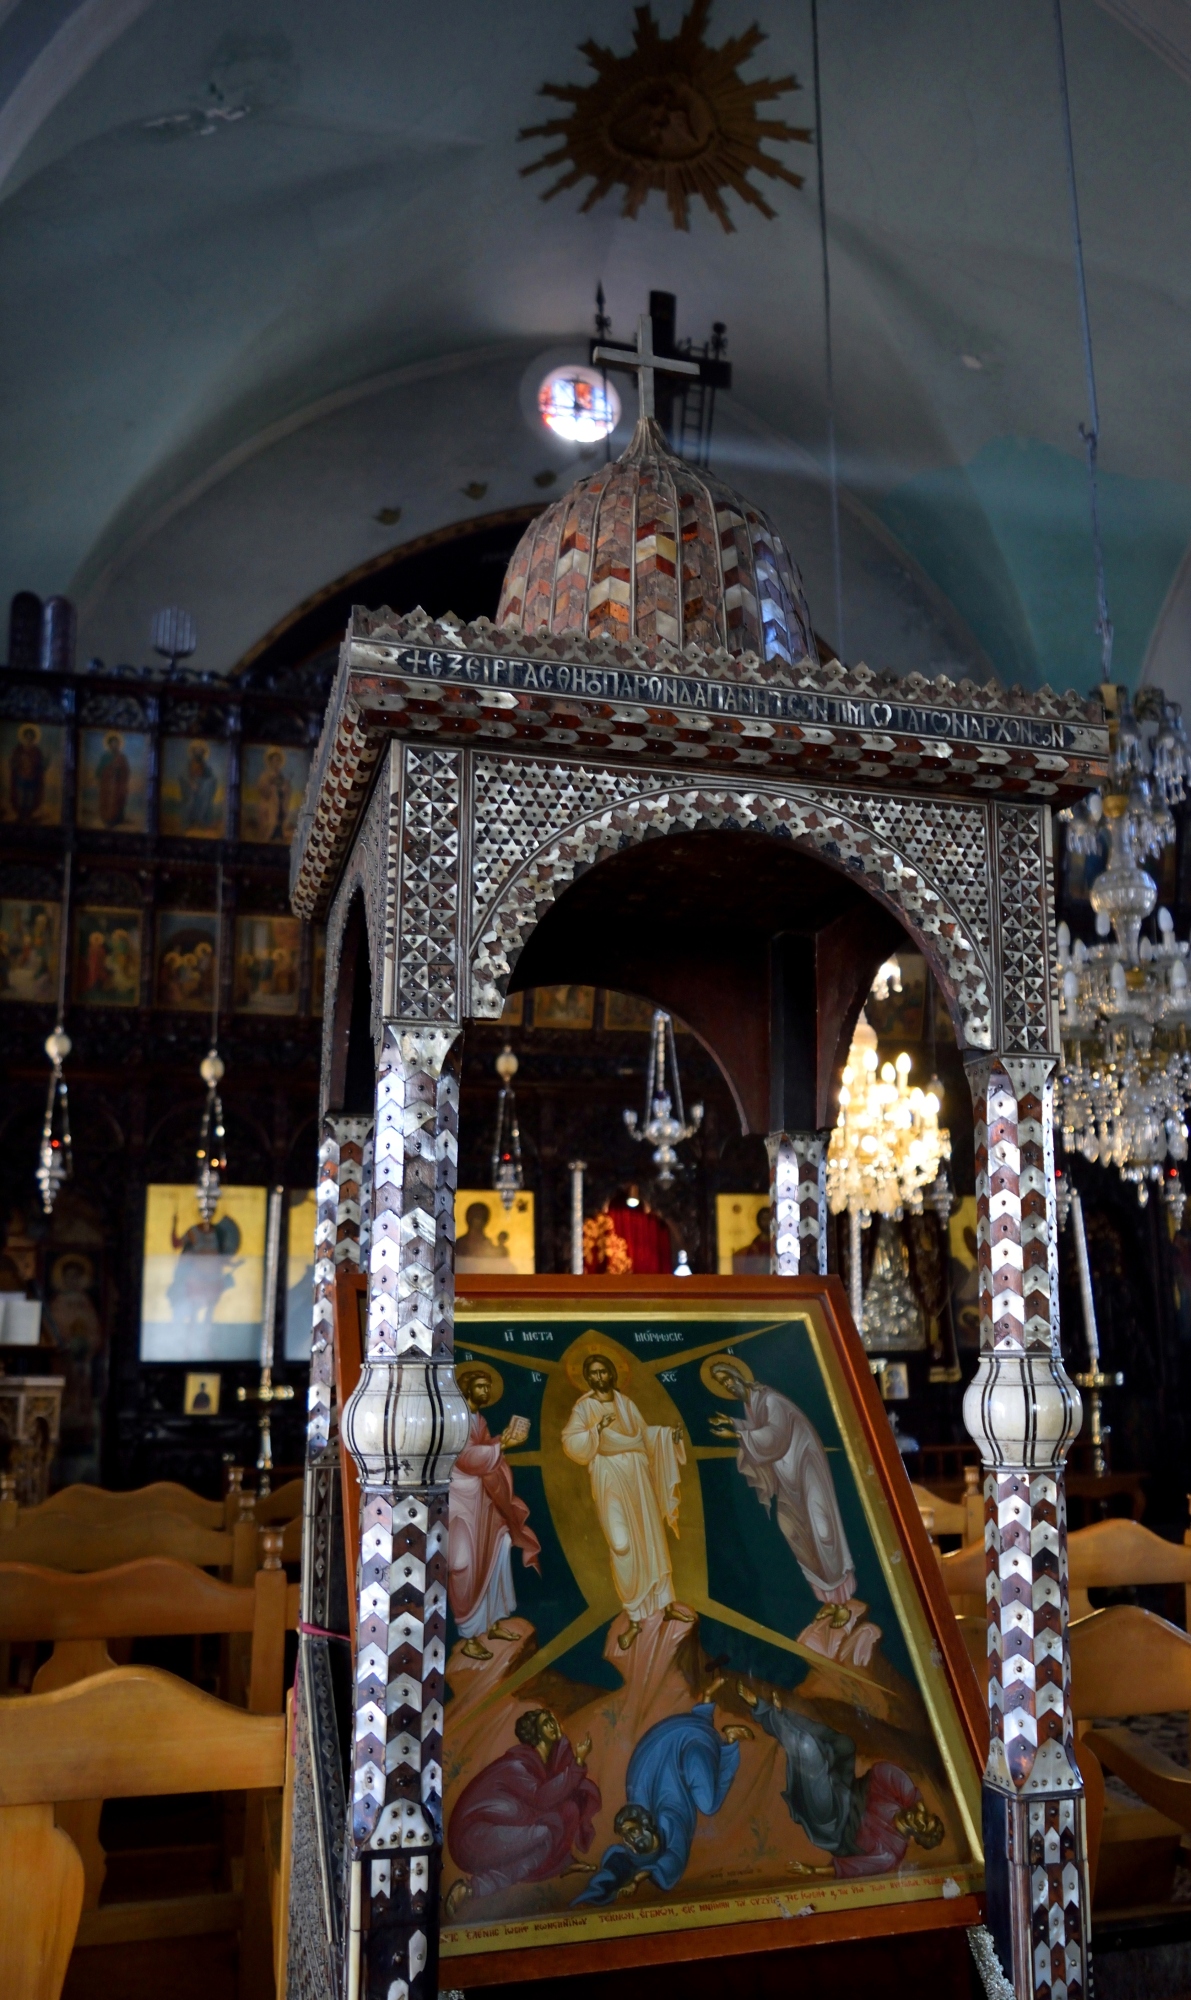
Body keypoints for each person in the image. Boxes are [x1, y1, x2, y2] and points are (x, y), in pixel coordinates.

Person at [738, 1683, 944, 1878]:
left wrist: (813, 1871)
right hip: (844, 1789)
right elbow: (883, 1772)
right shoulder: (901, 1802)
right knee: (844, 1745)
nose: (918, 1818)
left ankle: (763, 1711)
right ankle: (784, 1714)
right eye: (925, 1817)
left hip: (832, 1820)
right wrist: (914, 1798)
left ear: (917, 1837)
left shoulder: (889, 1853)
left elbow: (851, 1868)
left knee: (808, 1749)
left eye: (922, 1826)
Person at [561, 1350, 689, 1650]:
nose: (598, 1377)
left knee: (651, 1538)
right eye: (591, 1373)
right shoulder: (585, 1407)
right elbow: (571, 1442)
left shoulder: (625, 1403)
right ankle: (634, 1617)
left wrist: (668, 1437)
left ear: (611, 1374)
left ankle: (665, 1603)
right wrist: (597, 1429)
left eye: (602, 1371)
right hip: (609, 1476)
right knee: (622, 1544)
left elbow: (645, 1436)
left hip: (638, 1476)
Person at [707, 1356, 856, 1605]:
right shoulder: (752, 1405)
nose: (728, 1386)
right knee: (793, 1529)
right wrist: (734, 1423)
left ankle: (843, 1601)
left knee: (822, 1531)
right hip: (788, 1477)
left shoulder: (770, 1399)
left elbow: (775, 1437)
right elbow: (761, 1431)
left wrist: (736, 1432)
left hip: (806, 1471)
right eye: (723, 1384)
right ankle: (829, 1601)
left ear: (739, 1376)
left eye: (728, 1379)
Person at [572, 1703, 749, 1906]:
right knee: (706, 1801)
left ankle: (729, 1742)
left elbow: (657, 1859)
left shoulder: (649, 1810)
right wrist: (635, 1879)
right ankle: (705, 1715)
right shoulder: (667, 1822)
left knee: (709, 1805)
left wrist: (634, 1877)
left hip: (688, 1743)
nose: (628, 1840)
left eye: (629, 1836)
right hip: (685, 1748)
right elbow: (674, 1860)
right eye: (630, 1838)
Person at [445, 1707, 600, 1916]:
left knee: (559, 1819)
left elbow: (555, 1798)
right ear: (534, 1731)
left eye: (554, 1720)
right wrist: (578, 1763)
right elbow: (542, 1797)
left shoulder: (544, 1767)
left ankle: (472, 1889)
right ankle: (558, 1863)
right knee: (545, 1831)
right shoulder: (516, 1765)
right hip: (473, 1837)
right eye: (546, 1722)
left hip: (499, 1833)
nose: (554, 1725)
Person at [449, 1365, 540, 1660]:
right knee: (465, 1564)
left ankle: (492, 1623)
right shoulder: (456, 1419)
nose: (486, 1391)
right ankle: (469, 1635)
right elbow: (467, 1458)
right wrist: (502, 1445)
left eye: (488, 1387)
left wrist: (502, 1441)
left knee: (496, 1553)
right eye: (481, 1386)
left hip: (483, 1500)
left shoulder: (478, 1418)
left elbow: (483, 1448)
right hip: (462, 1500)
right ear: (466, 1389)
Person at [9, 725, 46, 822]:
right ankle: (20, 814)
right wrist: (17, 763)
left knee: (30, 796)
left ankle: (29, 814)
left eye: (31, 737)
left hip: (32, 778)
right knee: (21, 795)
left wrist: (44, 763)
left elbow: (40, 765)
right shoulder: (19, 749)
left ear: (33, 738)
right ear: (24, 737)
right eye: (27, 737)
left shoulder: (37, 751)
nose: (29, 739)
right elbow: (13, 762)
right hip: (20, 777)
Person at [96, 732, 130, 827]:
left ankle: (116, 819)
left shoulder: (122, 757)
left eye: (116, 743)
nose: (114, 746)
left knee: (118, 801)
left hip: (118, 785)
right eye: (113, 743)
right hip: (107, 785)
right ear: (109, 745)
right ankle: (107, 819)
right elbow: (99, 771)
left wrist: (119, 771)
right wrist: (108, 771)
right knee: (107, 802)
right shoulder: (105, 757)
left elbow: (126, 771)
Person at [258, 746, 291, 842]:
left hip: (279, 805)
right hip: (269, 807)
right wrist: (271, 786)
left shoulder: (281, 776)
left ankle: (278, 836)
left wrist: (285, 787)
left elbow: (286, 790)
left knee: (279, 823)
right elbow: (262, 789)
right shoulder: (265, 775)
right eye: (274, 760)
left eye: (278, 761)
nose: (276, 763)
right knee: (270, 825)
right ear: (270, 762)